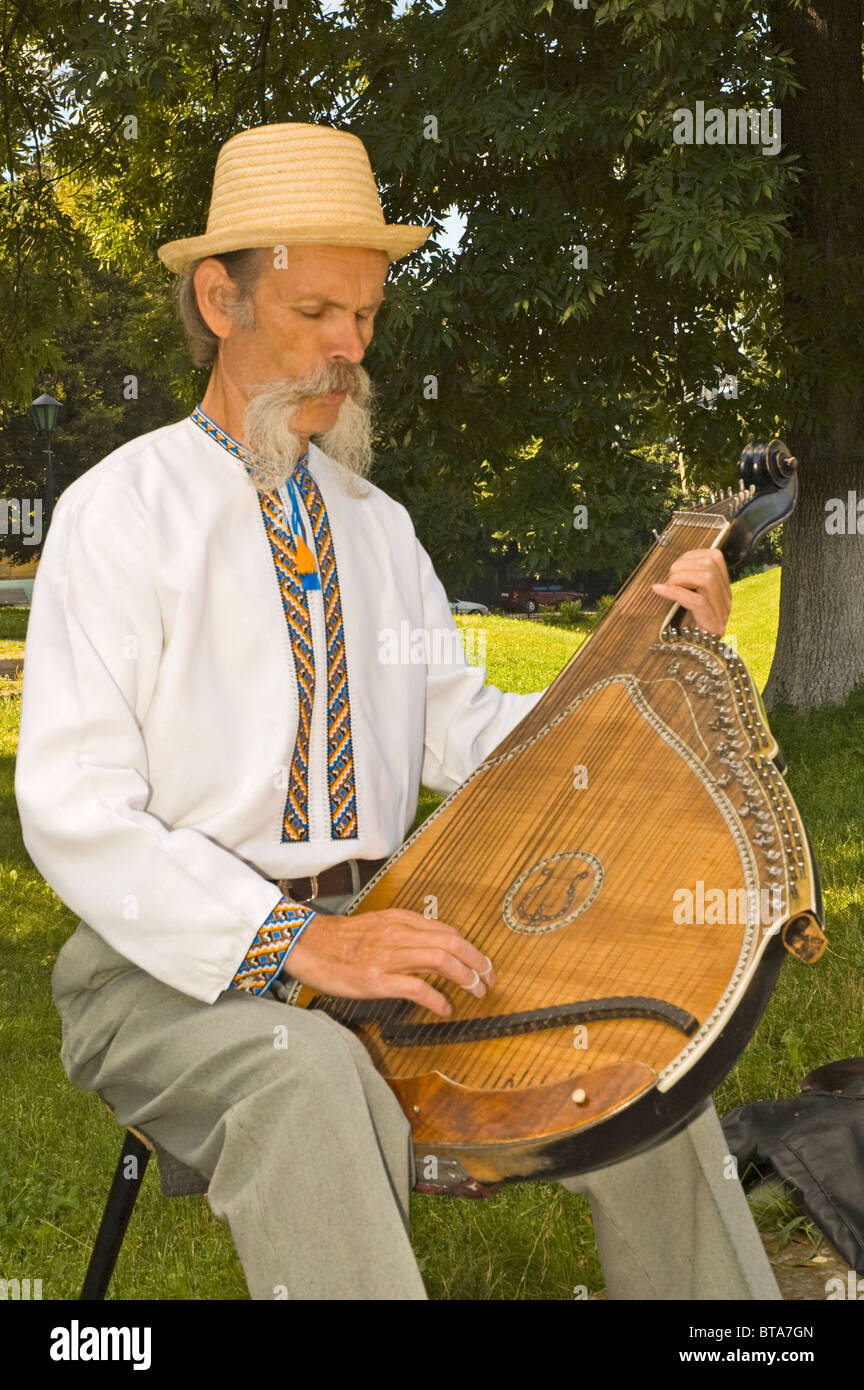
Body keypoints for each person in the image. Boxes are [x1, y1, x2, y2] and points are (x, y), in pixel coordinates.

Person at [14, 122, 779, 1301]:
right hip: (161, 970)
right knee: (305, 1070)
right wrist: (300, 944)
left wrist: (661, 648)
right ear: (220, 298)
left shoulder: (374, 525)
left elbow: (470, 734)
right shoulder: (124, 515)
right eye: (316, 310)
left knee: (645, 1046)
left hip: (391, 924)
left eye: (365, 317)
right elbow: (75, 813)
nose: (346, 349)